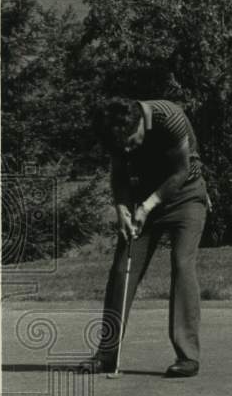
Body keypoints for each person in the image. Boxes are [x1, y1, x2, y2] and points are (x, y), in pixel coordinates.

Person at [81, 98, 209, 378]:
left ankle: (187, 356)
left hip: (186, 197)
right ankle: (107, 354)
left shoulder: (170, 118)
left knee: (182, 264)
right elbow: (119, 175)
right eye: (121, 146)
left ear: (140, 122)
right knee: (121, 270)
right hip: (143, 201)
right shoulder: (117, 132)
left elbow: (181, 171)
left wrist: (148, 205)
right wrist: (122, 209)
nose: (127, 149)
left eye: (131, 141)